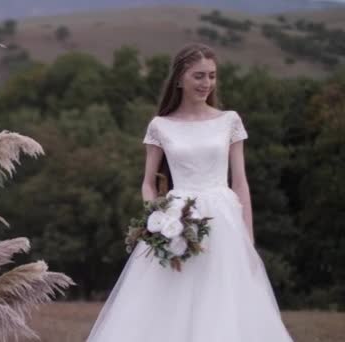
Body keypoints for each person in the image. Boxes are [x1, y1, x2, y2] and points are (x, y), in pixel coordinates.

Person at [86, 43, 293, 342]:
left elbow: (240, 183)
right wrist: (159, 219)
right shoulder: (160, 125)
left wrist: (249, 240)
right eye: (198, 76)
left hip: (224, 222)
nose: (206, 83)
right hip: (178, 217)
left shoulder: (229, 121)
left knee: (224, 302)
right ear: (180, 78)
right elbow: (147, 183)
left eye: (211, 76)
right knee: (168, 303)